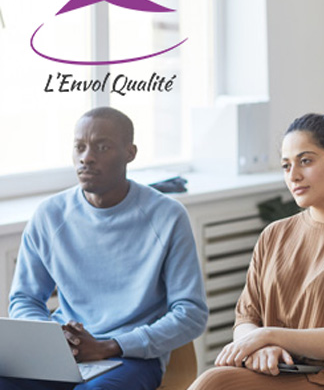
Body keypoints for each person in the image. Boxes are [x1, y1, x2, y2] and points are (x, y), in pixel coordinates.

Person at [188, 113, 324, 390]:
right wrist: (263, 346)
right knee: (211, 383)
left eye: (306, 161)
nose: (294, 176)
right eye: (286, 166)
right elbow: (247, 317)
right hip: (279, 369)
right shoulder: (274, 234)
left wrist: (269, 337)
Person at [2, 107, 208, 390]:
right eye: (80, 147)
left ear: (130, 153)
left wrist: (110, 346)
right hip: (65, 354)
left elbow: (190, 313)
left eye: (103, 147)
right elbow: (24, 299)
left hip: (131, 356)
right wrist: (54, 340)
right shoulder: (49, 215)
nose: (86, 157)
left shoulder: (168, 216)